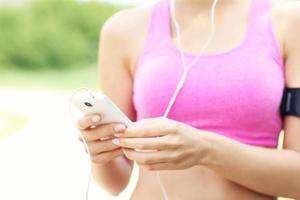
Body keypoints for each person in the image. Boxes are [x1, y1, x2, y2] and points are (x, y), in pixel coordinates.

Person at [77, 0, 300, 199]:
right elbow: (116, 183)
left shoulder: (288, 22)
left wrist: (206, 150)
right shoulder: (122, 31)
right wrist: (101, 154)